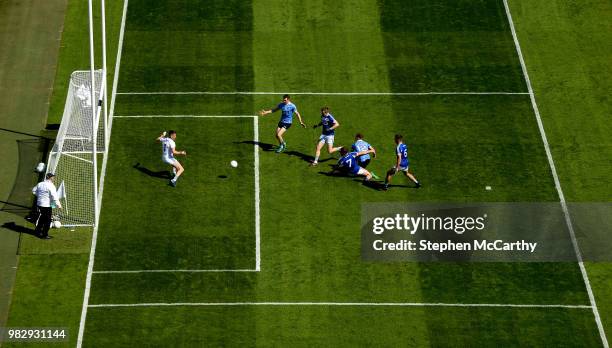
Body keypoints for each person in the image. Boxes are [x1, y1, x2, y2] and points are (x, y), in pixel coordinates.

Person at [32, 172, 62, 239]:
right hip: (47, 205)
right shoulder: (51, 186)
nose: (54, 178)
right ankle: (44, 235)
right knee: (48, 220)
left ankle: (37, 230)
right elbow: (54, 196)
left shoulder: (40, 184)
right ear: (50, 178)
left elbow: (33, 191)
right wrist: (59, 205)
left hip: (39, 204)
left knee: (42, 217)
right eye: (52, 177)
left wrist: (40, 196)